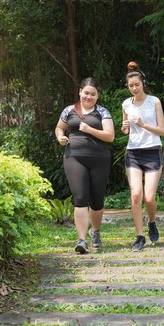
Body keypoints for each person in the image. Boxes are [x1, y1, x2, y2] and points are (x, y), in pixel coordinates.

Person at [55, 77, 115, 254]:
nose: (89, 97)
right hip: (74, 157)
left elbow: (110, 136)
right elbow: (59, 128)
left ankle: (95, 232)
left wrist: (90, 130)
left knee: (97, 200)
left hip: (99, 159)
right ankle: (82, 240)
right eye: (86, 93)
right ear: (80, 92)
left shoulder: (102, 112)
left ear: (97, 96)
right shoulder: (69, 110)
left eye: (93, 94)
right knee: (80, 197)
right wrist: (60, 137)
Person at [121, 62, 164, 252]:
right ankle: (140, 236)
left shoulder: (154, 101)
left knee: (149, 198)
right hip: (133, 152)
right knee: (136, 194)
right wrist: (125, 127)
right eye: (130, 86)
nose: (134, 89)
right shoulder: (125, 104)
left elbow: (162, 131)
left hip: (153, 150)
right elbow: (125, 129)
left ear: (143, 83)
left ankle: (152, 222)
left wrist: (143, 123)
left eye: (136, 85)